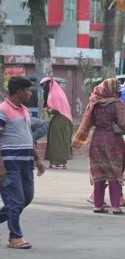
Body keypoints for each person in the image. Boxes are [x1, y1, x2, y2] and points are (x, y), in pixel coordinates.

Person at [73, 78, 125, 215]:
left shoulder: (93, 104)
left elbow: (86, 124)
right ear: (112, 89)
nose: (118, 89)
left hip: (97, 140)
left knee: (99, 172)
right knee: (114, 172)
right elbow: (123, 123)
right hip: (113, 140)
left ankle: (97, 205)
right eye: (117, 87)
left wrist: (78, 141)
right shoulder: (116, 104)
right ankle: (116, 207)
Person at [0, 76, 45, 249]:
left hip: (25, 162)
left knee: (26, 197)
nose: (29, 94)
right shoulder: (3, 110)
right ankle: (15, 237)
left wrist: (37, 159)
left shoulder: (24, 110)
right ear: (19, 92)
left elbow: (27, 137)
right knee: (15, 201)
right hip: (9, 163)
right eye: (27, 91)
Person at [40, 77, 73, 169]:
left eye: (44, 86)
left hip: (59, 120)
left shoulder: (53, 95)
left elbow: (55, 110)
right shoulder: (59, 93)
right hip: (63, 120)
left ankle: (56, 161)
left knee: (56, 141)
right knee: (62, 141)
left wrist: (47, 110)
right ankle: (61, 162)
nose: (43, 88)